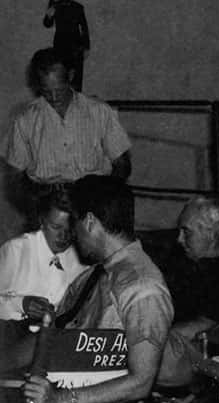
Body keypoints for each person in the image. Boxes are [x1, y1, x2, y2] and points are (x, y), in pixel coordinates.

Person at [16, 176, 172, 403]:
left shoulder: (142, 288)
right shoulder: (95, 274)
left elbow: (141, 382)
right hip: (59, 381)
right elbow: (52, 335)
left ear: (89, 221)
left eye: (74, 224)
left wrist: (61, 400)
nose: (72, 234)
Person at [2, 48, 131, 223]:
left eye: (60, 90)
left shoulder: (99, 112)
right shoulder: (25, 120)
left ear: (70, 76)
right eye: (46, 91)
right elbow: (14, 178)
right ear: (38, 85)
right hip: (46, 206)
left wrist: (102, 197)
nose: (54, 98)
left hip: (92, 206)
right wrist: (36, 206)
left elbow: (122, 164)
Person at [155, 195, 219, 388]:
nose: (179, 239)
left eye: (186, 232)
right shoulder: (183, 264)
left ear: (210, 234)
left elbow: (203, 325)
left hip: (196, 365)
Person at [0, 185, 89, 321]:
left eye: (70, 229)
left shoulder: (81, 259)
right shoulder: (15, 250)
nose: (63, 236)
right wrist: (21, 304)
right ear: (42, 221)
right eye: (56, 227)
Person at [43, 0, 89, 91]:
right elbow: (47, 24)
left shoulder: (78, 7)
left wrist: (87, 47)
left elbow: (84, 28)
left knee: (77, 77)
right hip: (60, 45)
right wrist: (48, 16)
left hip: (76, 46)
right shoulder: (54, 5)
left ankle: (76, 101)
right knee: (61, 74)